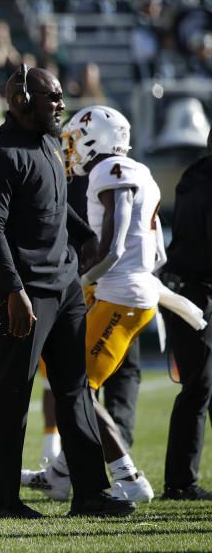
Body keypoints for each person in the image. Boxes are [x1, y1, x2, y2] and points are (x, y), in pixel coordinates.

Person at [0, 64, 135, 519]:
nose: (61, 104)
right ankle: (3, 502)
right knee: (13, 391)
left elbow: (55, 207)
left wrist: (85, 237)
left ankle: (89, 493)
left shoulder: (47, 141)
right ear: (22, 100)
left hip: (63, 287)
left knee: (75, 389)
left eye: (60, 96)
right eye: (53, 97)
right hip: (22, 291)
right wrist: (14, 290)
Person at [22, 106, 158, 503]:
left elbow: (112, 249)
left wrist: (79, 284)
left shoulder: (109, 170)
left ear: (96, 137)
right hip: (128, 290)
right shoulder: (139, 170)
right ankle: (63, 473)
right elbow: (156, 251)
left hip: (119, 292)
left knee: (77, 387)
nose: (71, 148)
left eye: (76, 139)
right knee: (74, 381)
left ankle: (129, 478)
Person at [159, 126, 212, 501]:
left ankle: (181, 480)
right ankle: (179, 483)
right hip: (196, 291)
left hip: (187, 287)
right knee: (199, 387)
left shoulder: (195, 175)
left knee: (200, 386)